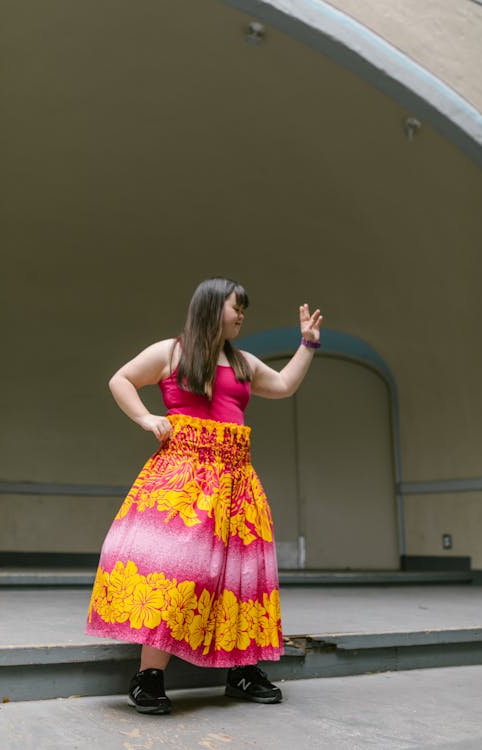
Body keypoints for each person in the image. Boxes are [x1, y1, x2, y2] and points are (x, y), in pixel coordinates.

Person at [85, 277, 323, 714]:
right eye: (237, 307)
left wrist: (306, 346)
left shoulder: (244, 361)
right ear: (212, 308)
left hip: (237, 478)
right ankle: (149, 677)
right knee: (174, 572)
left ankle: (242, 671)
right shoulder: (170, 353)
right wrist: (145, 418)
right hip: (184, 475)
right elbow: (120, 379)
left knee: (242, 576)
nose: (242, 315)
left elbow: (285, 385)